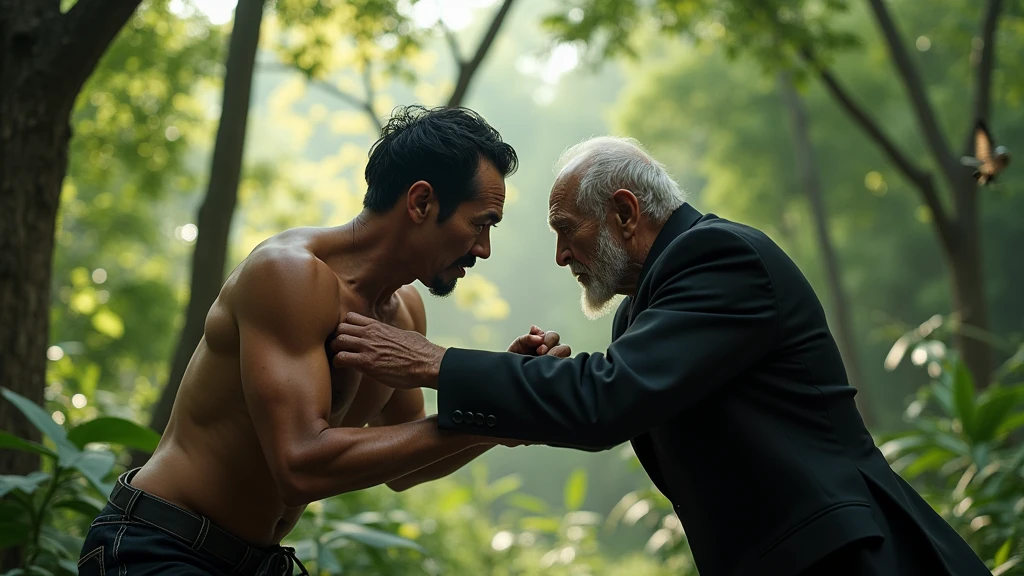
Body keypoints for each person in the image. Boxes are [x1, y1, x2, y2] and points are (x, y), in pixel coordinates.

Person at [329, 136, 992, 575]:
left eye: (567, 231)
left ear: (624, 212)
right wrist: (524, 382)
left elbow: (604, 401)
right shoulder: (647, 305)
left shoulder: (720, 258)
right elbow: (607, 394)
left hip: (850, 560)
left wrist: (433, 362)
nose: (562, 256)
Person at [77, 106, 566, 576]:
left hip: (254, 561)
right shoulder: (291, 276)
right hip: (159, 547)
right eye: (479, 224)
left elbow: (406, 468)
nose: (483, 248)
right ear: (421, 203)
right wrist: (491, 408)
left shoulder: (404, 313)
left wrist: (501, 410)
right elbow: (300, 466)